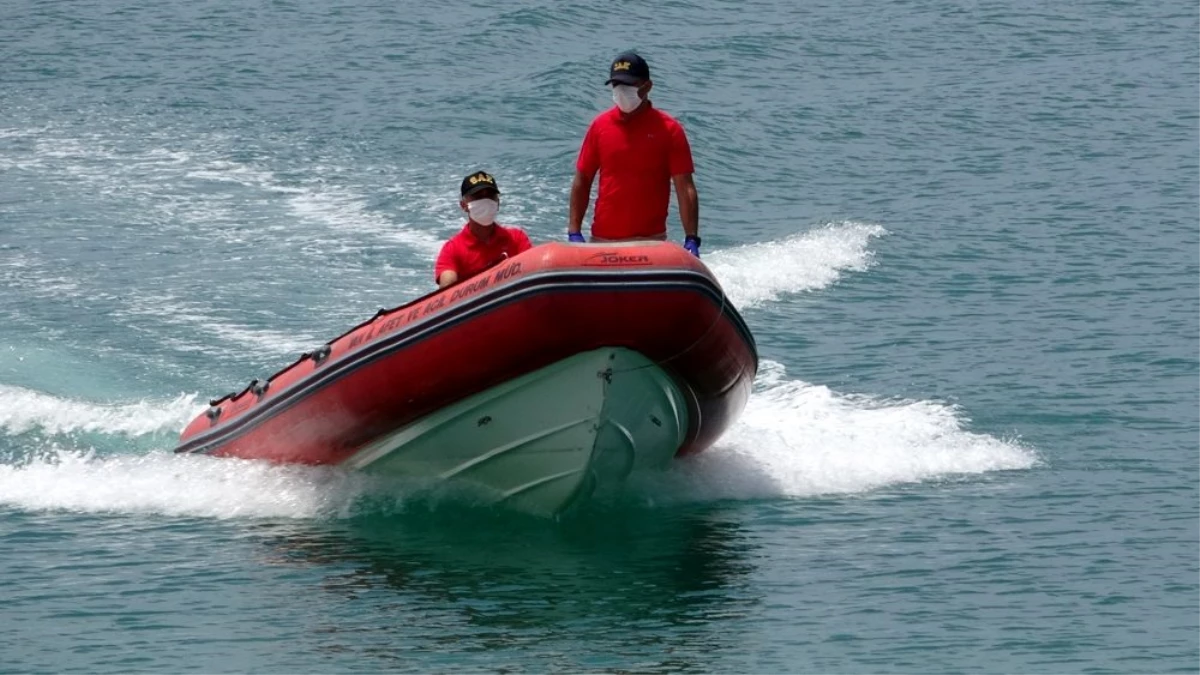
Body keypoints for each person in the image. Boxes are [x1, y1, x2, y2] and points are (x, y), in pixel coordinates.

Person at [568, 51, 702, 257]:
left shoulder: (669, 130)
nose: (621, 91)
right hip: (603, 239)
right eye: (616, 86)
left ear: (647, 86)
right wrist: (574, 232)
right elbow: (583, 179)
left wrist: (691, 238)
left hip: (651, 241)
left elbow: (685, 187)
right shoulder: (599, 127)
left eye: (628, 86)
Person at [435, 171, 533, 289]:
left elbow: (533, 274)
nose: (485, 201)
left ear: (498, 203)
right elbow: (446, 288)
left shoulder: (517, 239)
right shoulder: (452, 249)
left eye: (490, 196)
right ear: (463, 205)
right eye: (478, 196)